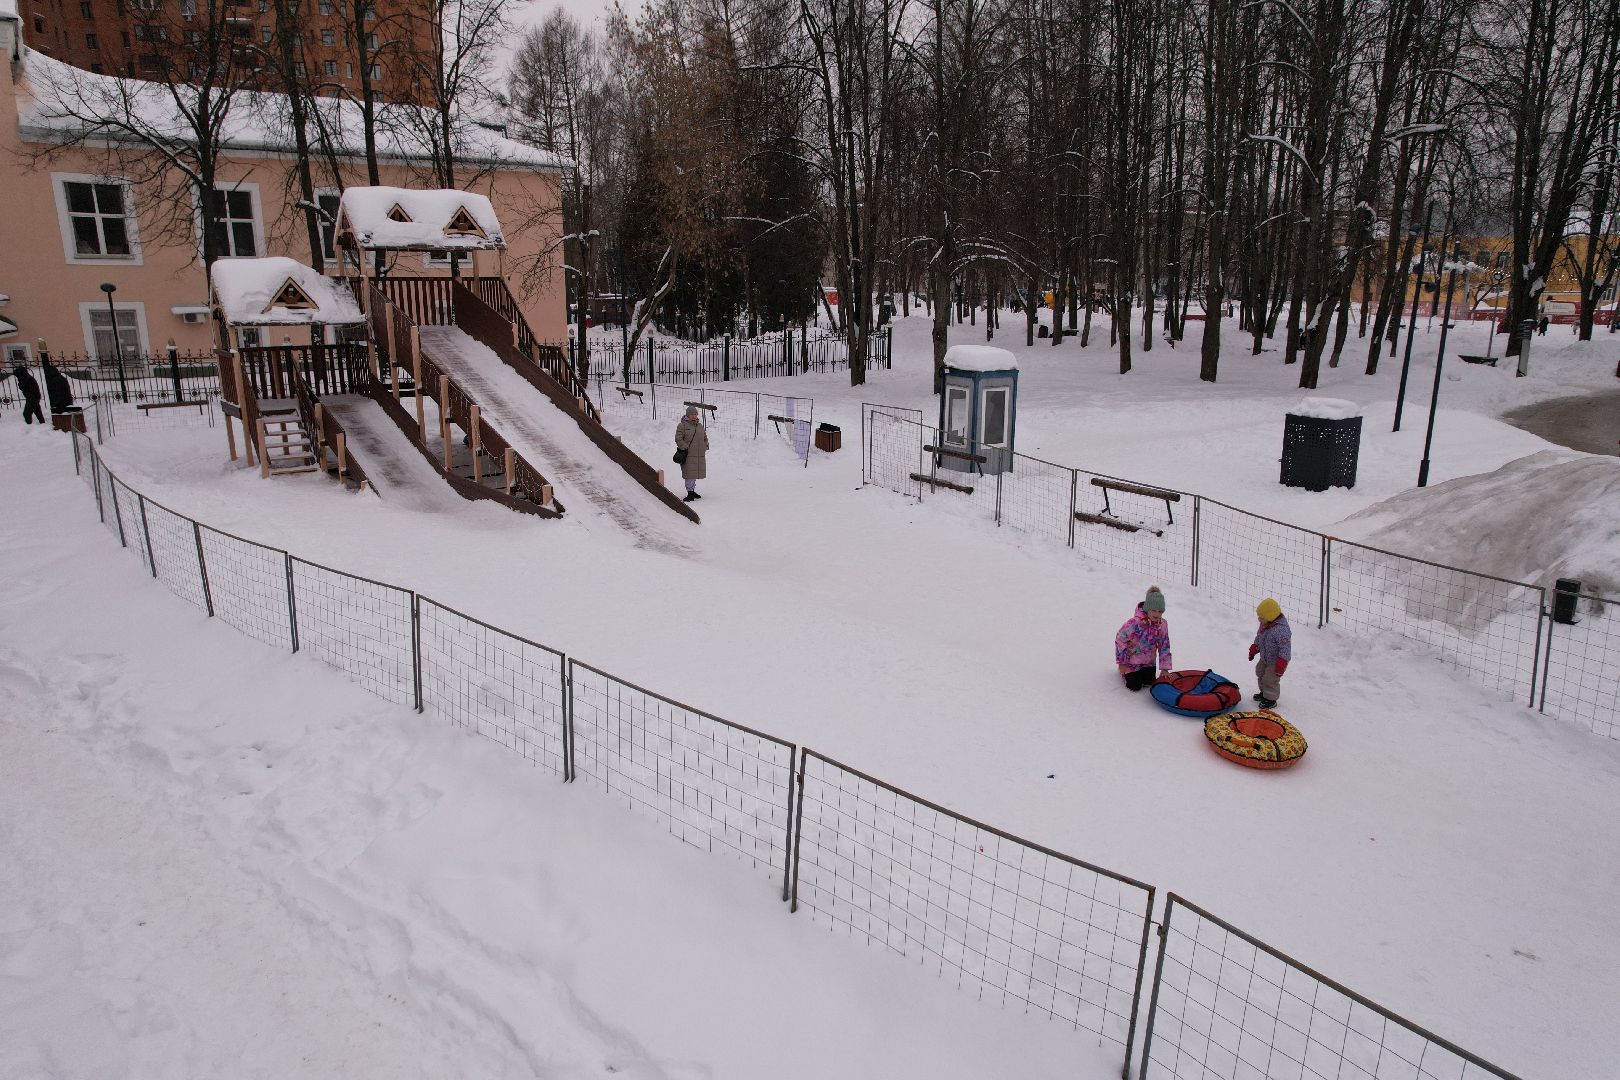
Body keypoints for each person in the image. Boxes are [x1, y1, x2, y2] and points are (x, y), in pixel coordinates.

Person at [1115, 586, 1173, 691]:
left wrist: (1165, 669)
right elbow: (1120, 640)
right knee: (1135, 686)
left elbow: (1164, 645)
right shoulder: (1135, 623)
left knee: (1149, 682)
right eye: (1153, 610)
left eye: (1160, 611)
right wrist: (1122, 662)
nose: (1157, 614)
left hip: (1149, 661)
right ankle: (1126, 673)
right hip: (1132, 660)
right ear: (1147, 609)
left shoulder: (1162, 625)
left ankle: (1143, 672)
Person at [1249, 598, 1292, 709]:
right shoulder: (1264, 624)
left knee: (1270, 679)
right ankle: (1264, 693)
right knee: (1260, 672)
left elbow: (1285, 649)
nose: (1259, 619)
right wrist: (1255, 648)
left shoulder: (1281, 631)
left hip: (1276, 662)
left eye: (1261, 617)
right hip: (1265, 657)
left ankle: (1271, 699)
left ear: (1270, 617)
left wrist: (1281, 664)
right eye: (1259, 616)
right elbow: (1260, 637)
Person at [674, 405, 709, 502]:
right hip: (688, 455)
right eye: (691, 414)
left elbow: (705, 438)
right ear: (687, 415)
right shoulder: (682, 425)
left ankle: (692, 491)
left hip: (699, 455)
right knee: (689, 474)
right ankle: (689, 492)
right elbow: (678, 439)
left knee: (694, 473)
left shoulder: (700, 426)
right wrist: (685, 447)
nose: (694, 416)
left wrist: (705, 446)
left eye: (695, 414)